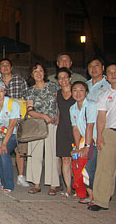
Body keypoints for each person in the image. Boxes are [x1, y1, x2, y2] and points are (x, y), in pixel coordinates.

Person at [25, 63, 59, 195]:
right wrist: (43, 116)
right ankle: (36, 184)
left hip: (53, 123)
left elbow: (58, 104)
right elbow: (29, 110)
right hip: (37, 124)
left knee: (52, 153)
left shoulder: (52, 86)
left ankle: (53, 184)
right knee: (35, 154)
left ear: (44, 73)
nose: (38, 73)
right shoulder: (30, 91)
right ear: (32, 75)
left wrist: (56, 117)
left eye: (40, 71)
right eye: (35, 71)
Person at [0, 58, 29, 187]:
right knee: (1, 148)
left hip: (19, 120)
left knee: (20, 149)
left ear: (11, 67)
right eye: (2, 65)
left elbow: (27, 98)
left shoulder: (19, 80)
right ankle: (2, 175)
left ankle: (20, 176)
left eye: (7, 65)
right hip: (2, 122)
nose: (5, 67)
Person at [89, 63, 116, 211]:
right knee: (105, 167)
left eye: (115, 71)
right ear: (106, 77)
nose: (113, 74)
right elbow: (101, 117)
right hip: (110, 132)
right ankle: (101, 200)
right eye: (110, 72)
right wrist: (99, 136)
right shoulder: (104, 95)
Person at [70, 81, 98, 205]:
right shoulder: (73, 108)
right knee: (81, 168)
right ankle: (89, 194)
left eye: (81, 90)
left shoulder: (91, 105)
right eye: (75, 90)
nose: (78, 93)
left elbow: (90, 126)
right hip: (84, 141)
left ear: (86, 92)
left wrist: (86, 146)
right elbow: (75, 129)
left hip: (95, 141)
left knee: (89, 168)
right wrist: (77, 147)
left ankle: (94, 196)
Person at [0, 80, 21, 192]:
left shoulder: (13, 104)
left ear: (5, 92)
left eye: (1, 91)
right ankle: (3, 181)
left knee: (4, 151)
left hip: (13, 134)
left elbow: (12, 125)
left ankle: (9, 184)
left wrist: (3, 144)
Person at [55, 68, 75, 198]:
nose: (63, 80)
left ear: (70, 78)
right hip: (62, 128)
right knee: (65, 159)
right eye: (60, 77)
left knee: (77, 159)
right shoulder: (57, 94)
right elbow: (58, 111)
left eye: (65, 77)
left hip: (76, 128)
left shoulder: (77, 91)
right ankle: (68, 188)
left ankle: (79, 186)